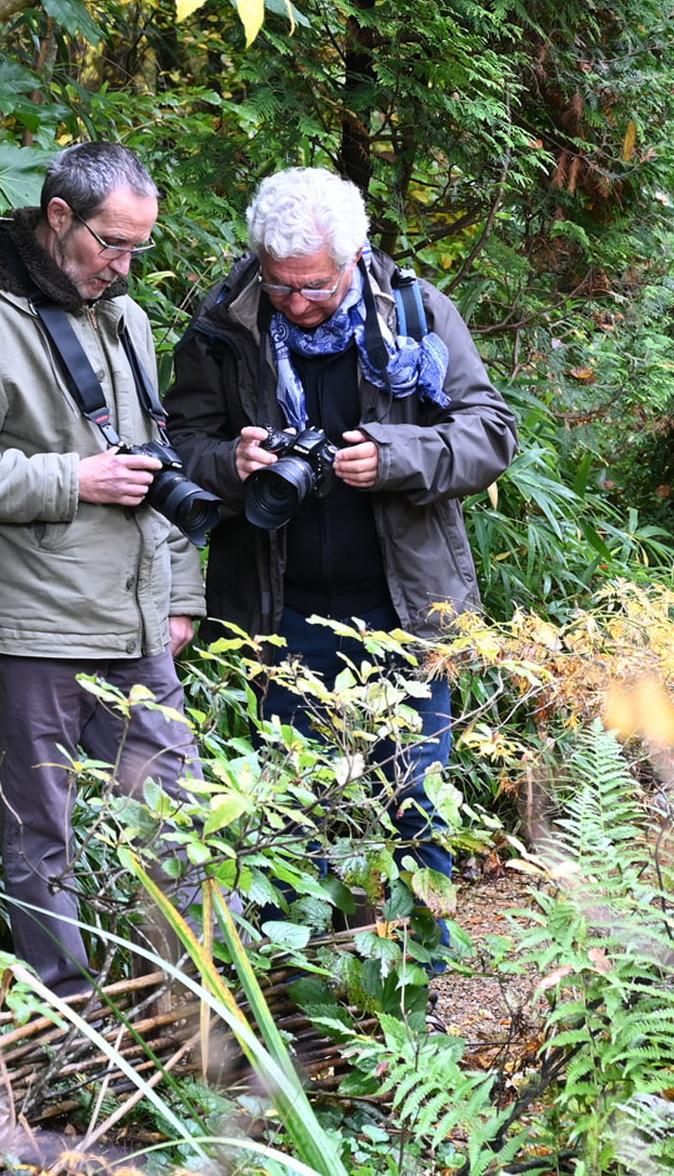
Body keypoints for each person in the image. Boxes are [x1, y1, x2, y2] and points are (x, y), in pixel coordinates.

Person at [164, 166, 517, 920]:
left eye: (315, 287)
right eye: (281, 285)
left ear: (354, 260)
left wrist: (396, 457)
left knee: (416, 808)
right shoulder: (225, 327)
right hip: (275, 615)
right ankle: (304, 1001)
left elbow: (491, 434)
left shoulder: (417, 315)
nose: (297, 304)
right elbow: (178, 444)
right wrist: (231, 463)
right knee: (294, 821)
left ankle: (417, 997)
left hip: (408, 613)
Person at [0, 142, 207, 997]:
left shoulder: (127, 317)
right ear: (59, 217)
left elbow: (153, 460)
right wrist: (72, 479)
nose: (125, 264)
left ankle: (192, 1002)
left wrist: (179, 589)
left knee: (176, 816)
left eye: (140, 247)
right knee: (42, 831)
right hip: (27, 623)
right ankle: (63, 1015)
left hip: (132, 615)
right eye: (113, 243)